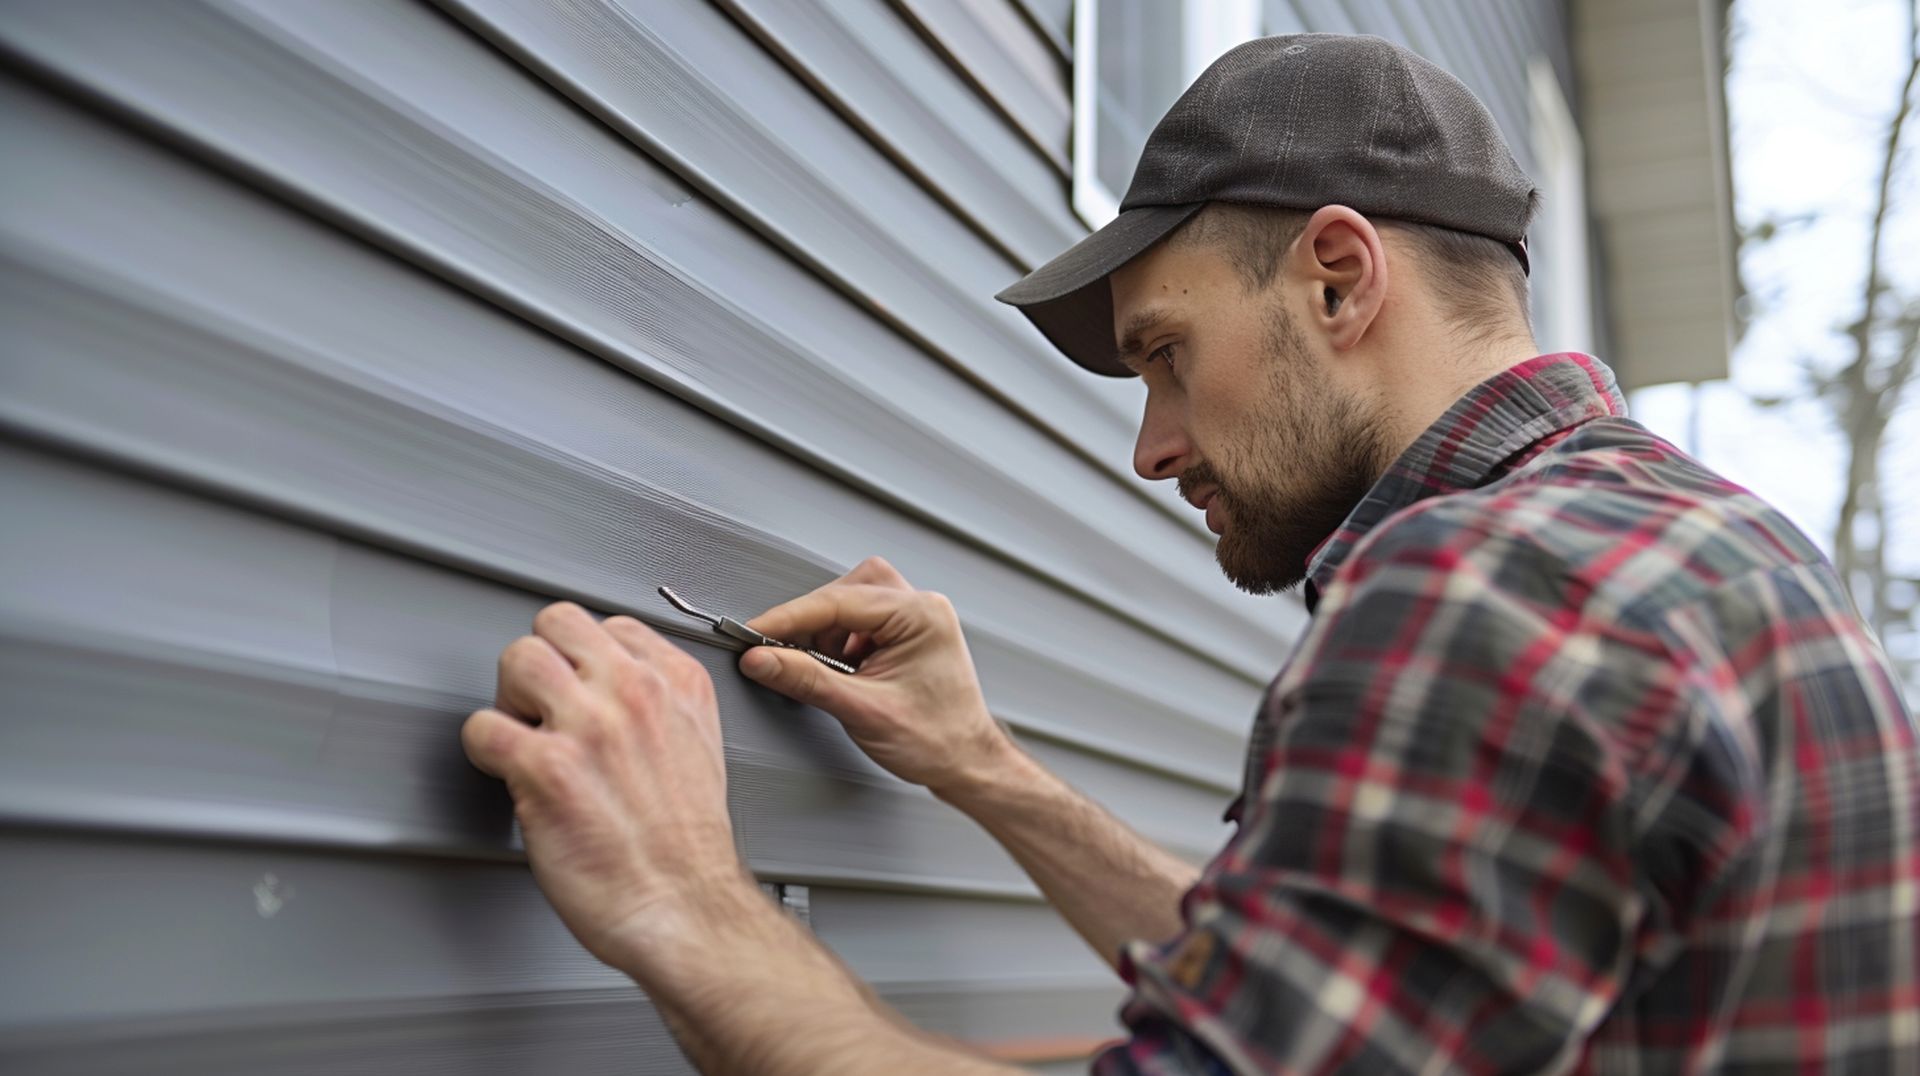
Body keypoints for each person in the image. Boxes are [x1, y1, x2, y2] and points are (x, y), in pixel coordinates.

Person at [459, 34, 1918, 1075]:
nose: (1151, 448)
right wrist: (987, 770)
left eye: (1166, 354)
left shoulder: (1488, 594)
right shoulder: (1702, 546)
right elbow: (1330, 993)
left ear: (1340, 278)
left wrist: (685, 907)